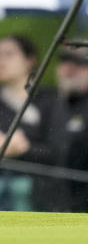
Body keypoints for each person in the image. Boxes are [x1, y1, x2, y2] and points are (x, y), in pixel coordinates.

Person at [0, 34, 66, 212]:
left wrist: (23, 149)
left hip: (38, 201)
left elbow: (57, 153)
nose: (0, 61)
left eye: (9, 55)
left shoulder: (50, 101)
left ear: (29, 61)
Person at [55, 45, 88, 212]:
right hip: (49, 210)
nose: (69, 68)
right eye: (64, 60)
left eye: (80, 62)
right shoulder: (47, 103)